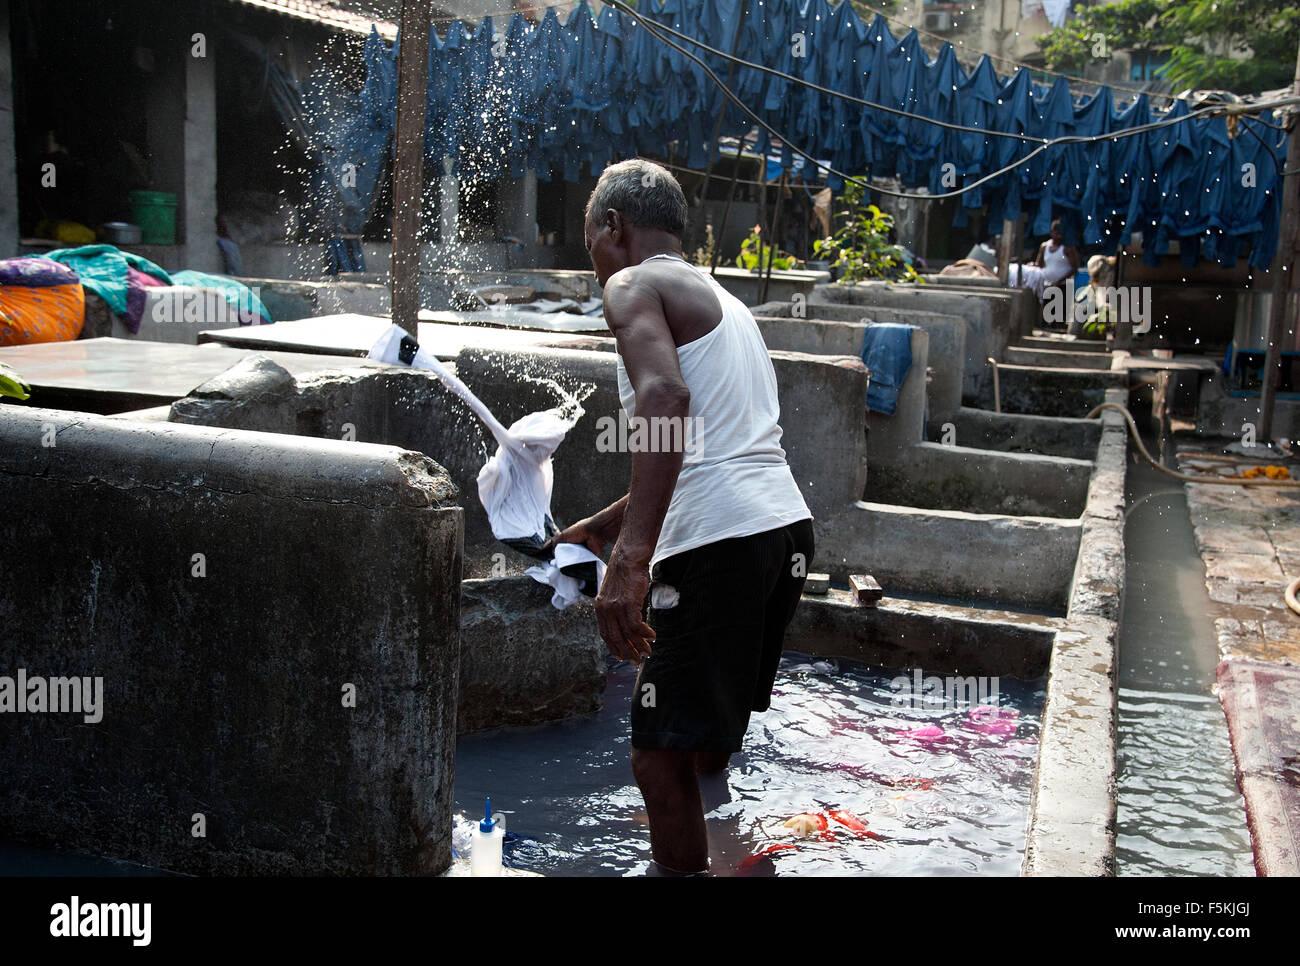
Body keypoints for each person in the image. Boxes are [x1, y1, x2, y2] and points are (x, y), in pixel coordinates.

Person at [550, 158, 814, 875]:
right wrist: (608, 526)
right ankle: (722, 846)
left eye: (591, 245)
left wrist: (630, 561)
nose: (596, 266)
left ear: (614, 226)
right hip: (780, 531)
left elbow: (665, 401)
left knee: (654, 757)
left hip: (720, 542)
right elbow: (715, 445)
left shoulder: (632, 283)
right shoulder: (725, 302)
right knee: (700, 746)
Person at [1008, 219, 1079, 302]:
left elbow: (1074, 269)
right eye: (1056, 233)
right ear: (1051, 232)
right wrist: (1032, 265)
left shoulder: (1068, 249)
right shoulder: (1045, 246)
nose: (1059, 236)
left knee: (1063, 312)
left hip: (1064, 285)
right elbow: (1040, 264)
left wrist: (1058, 282)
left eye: (1060, 234)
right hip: (1047, 285)